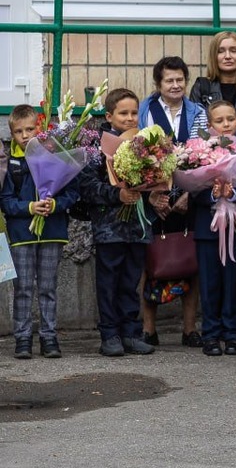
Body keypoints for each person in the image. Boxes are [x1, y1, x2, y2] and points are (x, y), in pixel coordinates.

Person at [79, 88, 155, 357]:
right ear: (109, 115)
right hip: (109, 228)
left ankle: (130, 333)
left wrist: (154, 191)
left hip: (137, 226)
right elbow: (88, 187)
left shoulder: (145, 143)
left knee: (130, 280)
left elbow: (155, 178)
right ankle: (109, 334)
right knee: (109, 282)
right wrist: (117, 194)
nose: (130, 118)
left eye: (135, 113)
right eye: (124, 113)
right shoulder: (96, 147)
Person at [2, 105, 81, 360]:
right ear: (11, 134)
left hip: (52, 232)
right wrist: (30, 207)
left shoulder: (56, 154)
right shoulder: (9, 163)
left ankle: (49, 337)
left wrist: (55, 205)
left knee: (48, 287)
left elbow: (72, 192)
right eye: (19, 131)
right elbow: (6, 202)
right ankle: (22, 338)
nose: (25, 136)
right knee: (23, 288)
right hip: (22, 235)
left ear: (41, 127)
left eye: (30, 129)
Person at [139, 56, 205, 346]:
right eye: (169, 80)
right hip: (154, 197)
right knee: (151, 261)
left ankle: (189, 329)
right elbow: (137, 152)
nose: (175, 85)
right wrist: (153, 194)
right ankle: (148, 329)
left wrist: (191, 193)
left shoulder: (198, 111)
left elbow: (205, 153)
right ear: (158, 84)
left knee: (189, 261)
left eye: (180, 79)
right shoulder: (145, 110)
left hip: (188, 198)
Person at [193, 101, 236, 357]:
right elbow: (192, 190)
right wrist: (213, 195)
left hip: (235, 225)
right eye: (220, 120)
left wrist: (234, 192)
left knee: (233, 282)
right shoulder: (199, 151)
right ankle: (211, 334)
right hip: (208, 228)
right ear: (210, 125)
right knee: (210, 283)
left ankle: (232, 334)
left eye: (230, 119)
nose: (226, 124)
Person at [190, 30, 236, 115]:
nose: (227, 56)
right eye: (220, 51)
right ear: (213, 56)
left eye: (233, 51)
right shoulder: (202, 87)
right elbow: (196, 124)